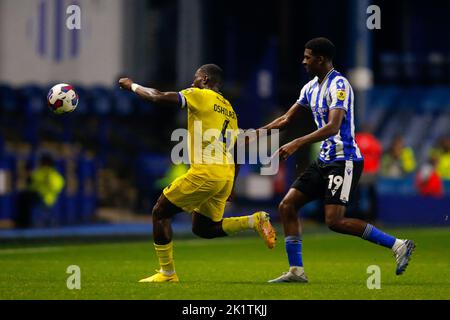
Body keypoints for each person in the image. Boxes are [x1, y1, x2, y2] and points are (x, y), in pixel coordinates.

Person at [254, 38, 415, 283]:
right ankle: (296, 271)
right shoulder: (309, 88)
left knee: (335, 221)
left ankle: (398, 245)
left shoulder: (339, 85)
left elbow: (333, 127)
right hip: (325, 159)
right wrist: (256, 133)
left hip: (345, 160)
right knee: (287, 206)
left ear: (320, 59)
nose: (303, 61)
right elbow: (286, 119)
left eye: (308, 57)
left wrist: (297, 142)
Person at [119, 64, 276, 283]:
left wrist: (132, 86)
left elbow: (157, 96)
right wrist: (231, 184)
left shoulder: (199, 94)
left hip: (206, 172)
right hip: (225, 174)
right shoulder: (230, 111)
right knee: (204, 228)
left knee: (160, 212)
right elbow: (238, 148)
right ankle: (254, 220)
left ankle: (167, 273)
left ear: (204, 79)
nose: (192, 83)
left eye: (195, 79)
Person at [15, 153, 65, 228]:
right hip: (37, 196)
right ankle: (23, 223)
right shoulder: (40, 172)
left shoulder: (51, 173)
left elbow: (57, 186)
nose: (41, 163)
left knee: (25, 197)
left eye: (42, 161)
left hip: (44, 198)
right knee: (23, 196)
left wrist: (46, 183)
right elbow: (31, 183)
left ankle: (24, 224)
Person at [355, 124, 383, 222]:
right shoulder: (374, 141)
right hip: (370, 172)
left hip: (361, 171)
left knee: (357, 195)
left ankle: (358, 216)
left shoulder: (357, 139)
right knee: (370, 195)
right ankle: (371, 217)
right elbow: (378, 155)